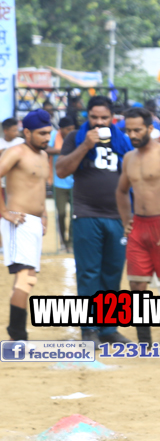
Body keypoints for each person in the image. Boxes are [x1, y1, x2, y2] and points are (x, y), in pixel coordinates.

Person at [56, 96, 133, 344]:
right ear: (87, 117)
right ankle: (89, 329)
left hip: (117, 217)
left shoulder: (123, 140)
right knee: (89, 273)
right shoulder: (75, 138)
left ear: (112, 118)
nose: (99, 122)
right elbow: (61, 170)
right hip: (86, 214)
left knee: (112, 272)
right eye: (94, 117)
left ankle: (108, 329)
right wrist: (85, 146)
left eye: (104, 118)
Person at [114, 107, 160, 345]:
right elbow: (121, 191)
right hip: (138, 227)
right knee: (136, 285)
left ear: (150, 128)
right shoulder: (129, 158)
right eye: (129, 131)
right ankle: (144, 341)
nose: (132, 135)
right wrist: (126, 220)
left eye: (137, 130)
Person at [0, 111, 52, 341]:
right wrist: (3, 211)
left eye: (49, 133)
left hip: (33, 223)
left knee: (26, 278)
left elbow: (38, 187)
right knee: (26, 279)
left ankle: (16, 335)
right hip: (18, 221)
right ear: (28, 132)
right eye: (42, 133)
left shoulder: (43, 155)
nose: (47, 137)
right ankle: (17, 336)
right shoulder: (16, 152)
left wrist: (44, 215)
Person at [47, 115, 77, 252]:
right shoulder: (54, 136)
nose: (70, 132)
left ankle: (71, 242)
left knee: (74, 214)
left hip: (75, 182)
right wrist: (63, 151)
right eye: (67, 129)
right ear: (61, 129)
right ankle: (63, 242)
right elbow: (45, 148)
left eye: (72, 129)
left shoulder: (76, 136)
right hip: (59, 182)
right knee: (61, 213)